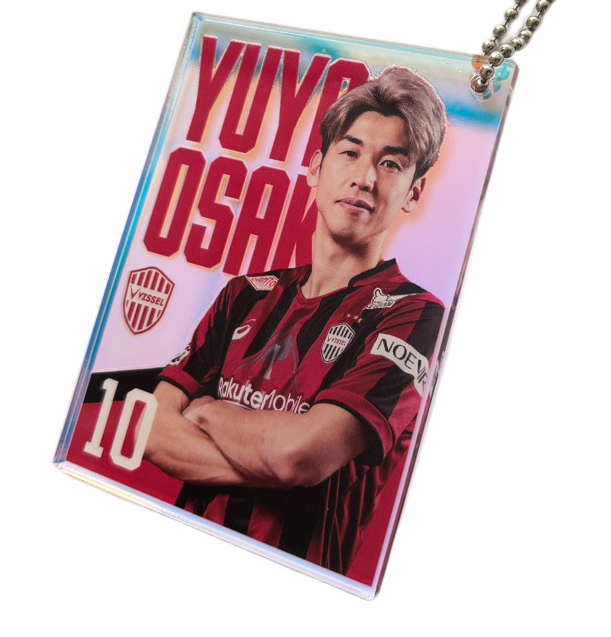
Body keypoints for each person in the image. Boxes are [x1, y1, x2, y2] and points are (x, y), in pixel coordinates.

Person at [143, 66, 447, 576]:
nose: (365, 178)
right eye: (350, 153)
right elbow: (152, 429)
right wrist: (275, 462)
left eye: (391, 164)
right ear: (316, 168)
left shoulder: (415, 316)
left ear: (413, 193)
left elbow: (298, 457)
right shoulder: (245, 294)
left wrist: (207, 411)